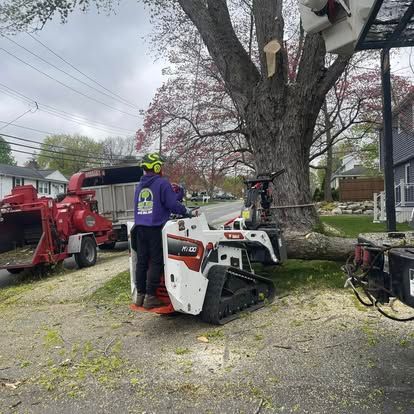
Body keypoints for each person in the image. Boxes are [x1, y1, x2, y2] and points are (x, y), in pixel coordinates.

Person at [132, 153, 189, 309]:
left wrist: (176, 194)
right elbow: (171, 203)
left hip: (139, 229)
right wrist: (185, 211)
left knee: (142, 262)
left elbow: (157, 200)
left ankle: (140, 296)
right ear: (156, 167)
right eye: (160, 165)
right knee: (156, 261)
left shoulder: (139, 186)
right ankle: (151, 297)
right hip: (155, 228)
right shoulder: (162, 183)